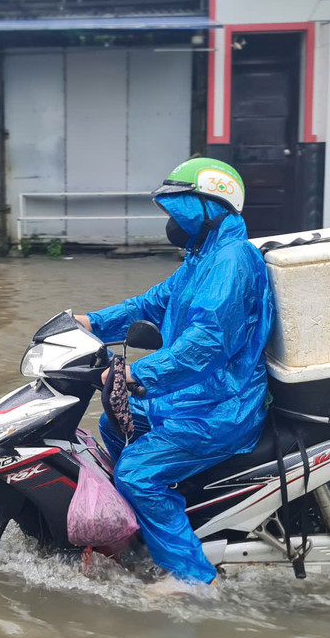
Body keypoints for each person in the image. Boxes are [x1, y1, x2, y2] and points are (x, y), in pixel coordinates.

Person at [76, 158, 276, 591]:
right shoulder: (200, 257)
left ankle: (192, 579)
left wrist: (137, 374)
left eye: (180, 207)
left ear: (210, 206)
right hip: (192, 394)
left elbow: (207, 342)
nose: (172, 219)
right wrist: (91, 322)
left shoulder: (231, 261)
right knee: (112, 427)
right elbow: (151, 304)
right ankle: (155, 530)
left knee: (136, 473)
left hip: (222, 406)